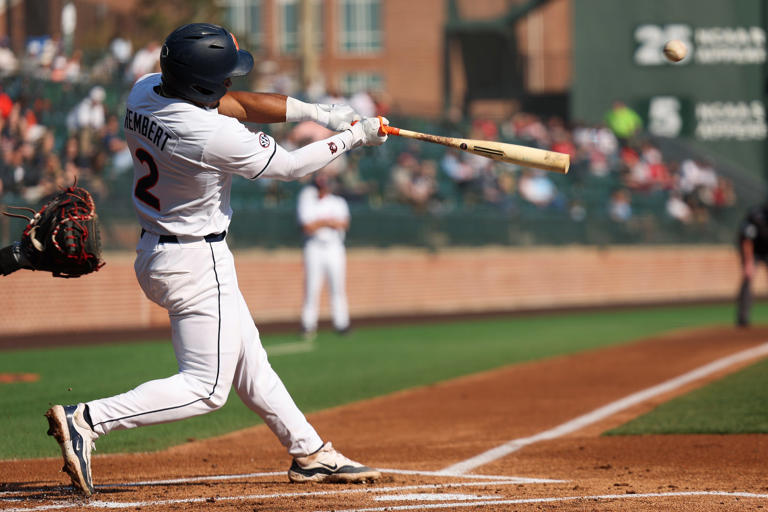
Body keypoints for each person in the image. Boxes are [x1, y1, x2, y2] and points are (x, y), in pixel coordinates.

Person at [44, 23, 387, 497]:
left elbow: (241, 103)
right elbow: (288, 167)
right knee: (206, 389)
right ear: (199, 83)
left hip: (160, 251)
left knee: (252, 365)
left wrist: (320, 112)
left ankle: (310, 452)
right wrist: (353, 137)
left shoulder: (144, 90)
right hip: (195, 261)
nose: (230, 83)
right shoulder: (208, 134)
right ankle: (88, 419)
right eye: (222, 76)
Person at [297, 171, 351, 339]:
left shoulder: (338, 202)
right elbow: (307, 226)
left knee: (337, 287)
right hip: (314, 247)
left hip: (334, 247)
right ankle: (308, 324)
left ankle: (341, 324)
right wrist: (328, 222)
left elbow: (343, 223)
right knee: (312, 286)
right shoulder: (307, 200)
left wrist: (321, 222)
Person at [736, 203, 768, 327]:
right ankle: (742, 319)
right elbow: (747, 240)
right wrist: (748, 263)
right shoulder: (756, 215)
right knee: (748, 278)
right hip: (753, 250)